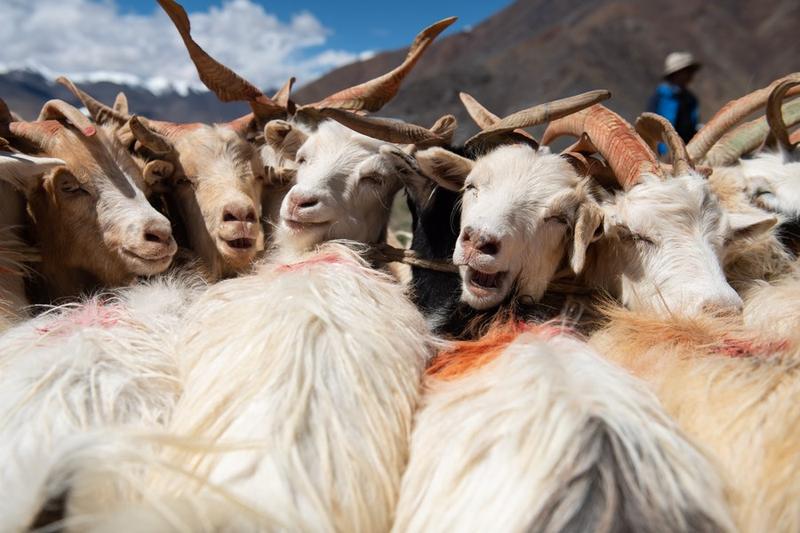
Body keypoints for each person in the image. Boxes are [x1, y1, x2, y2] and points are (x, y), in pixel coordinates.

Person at [647, 52, 701, 151]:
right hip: (661, 151)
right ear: (676, 74)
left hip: (685, 150)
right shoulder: (660, 96)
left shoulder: (690, 99)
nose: (690, 75)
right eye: (687, 71)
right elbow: (650, 126)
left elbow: (691, 126)